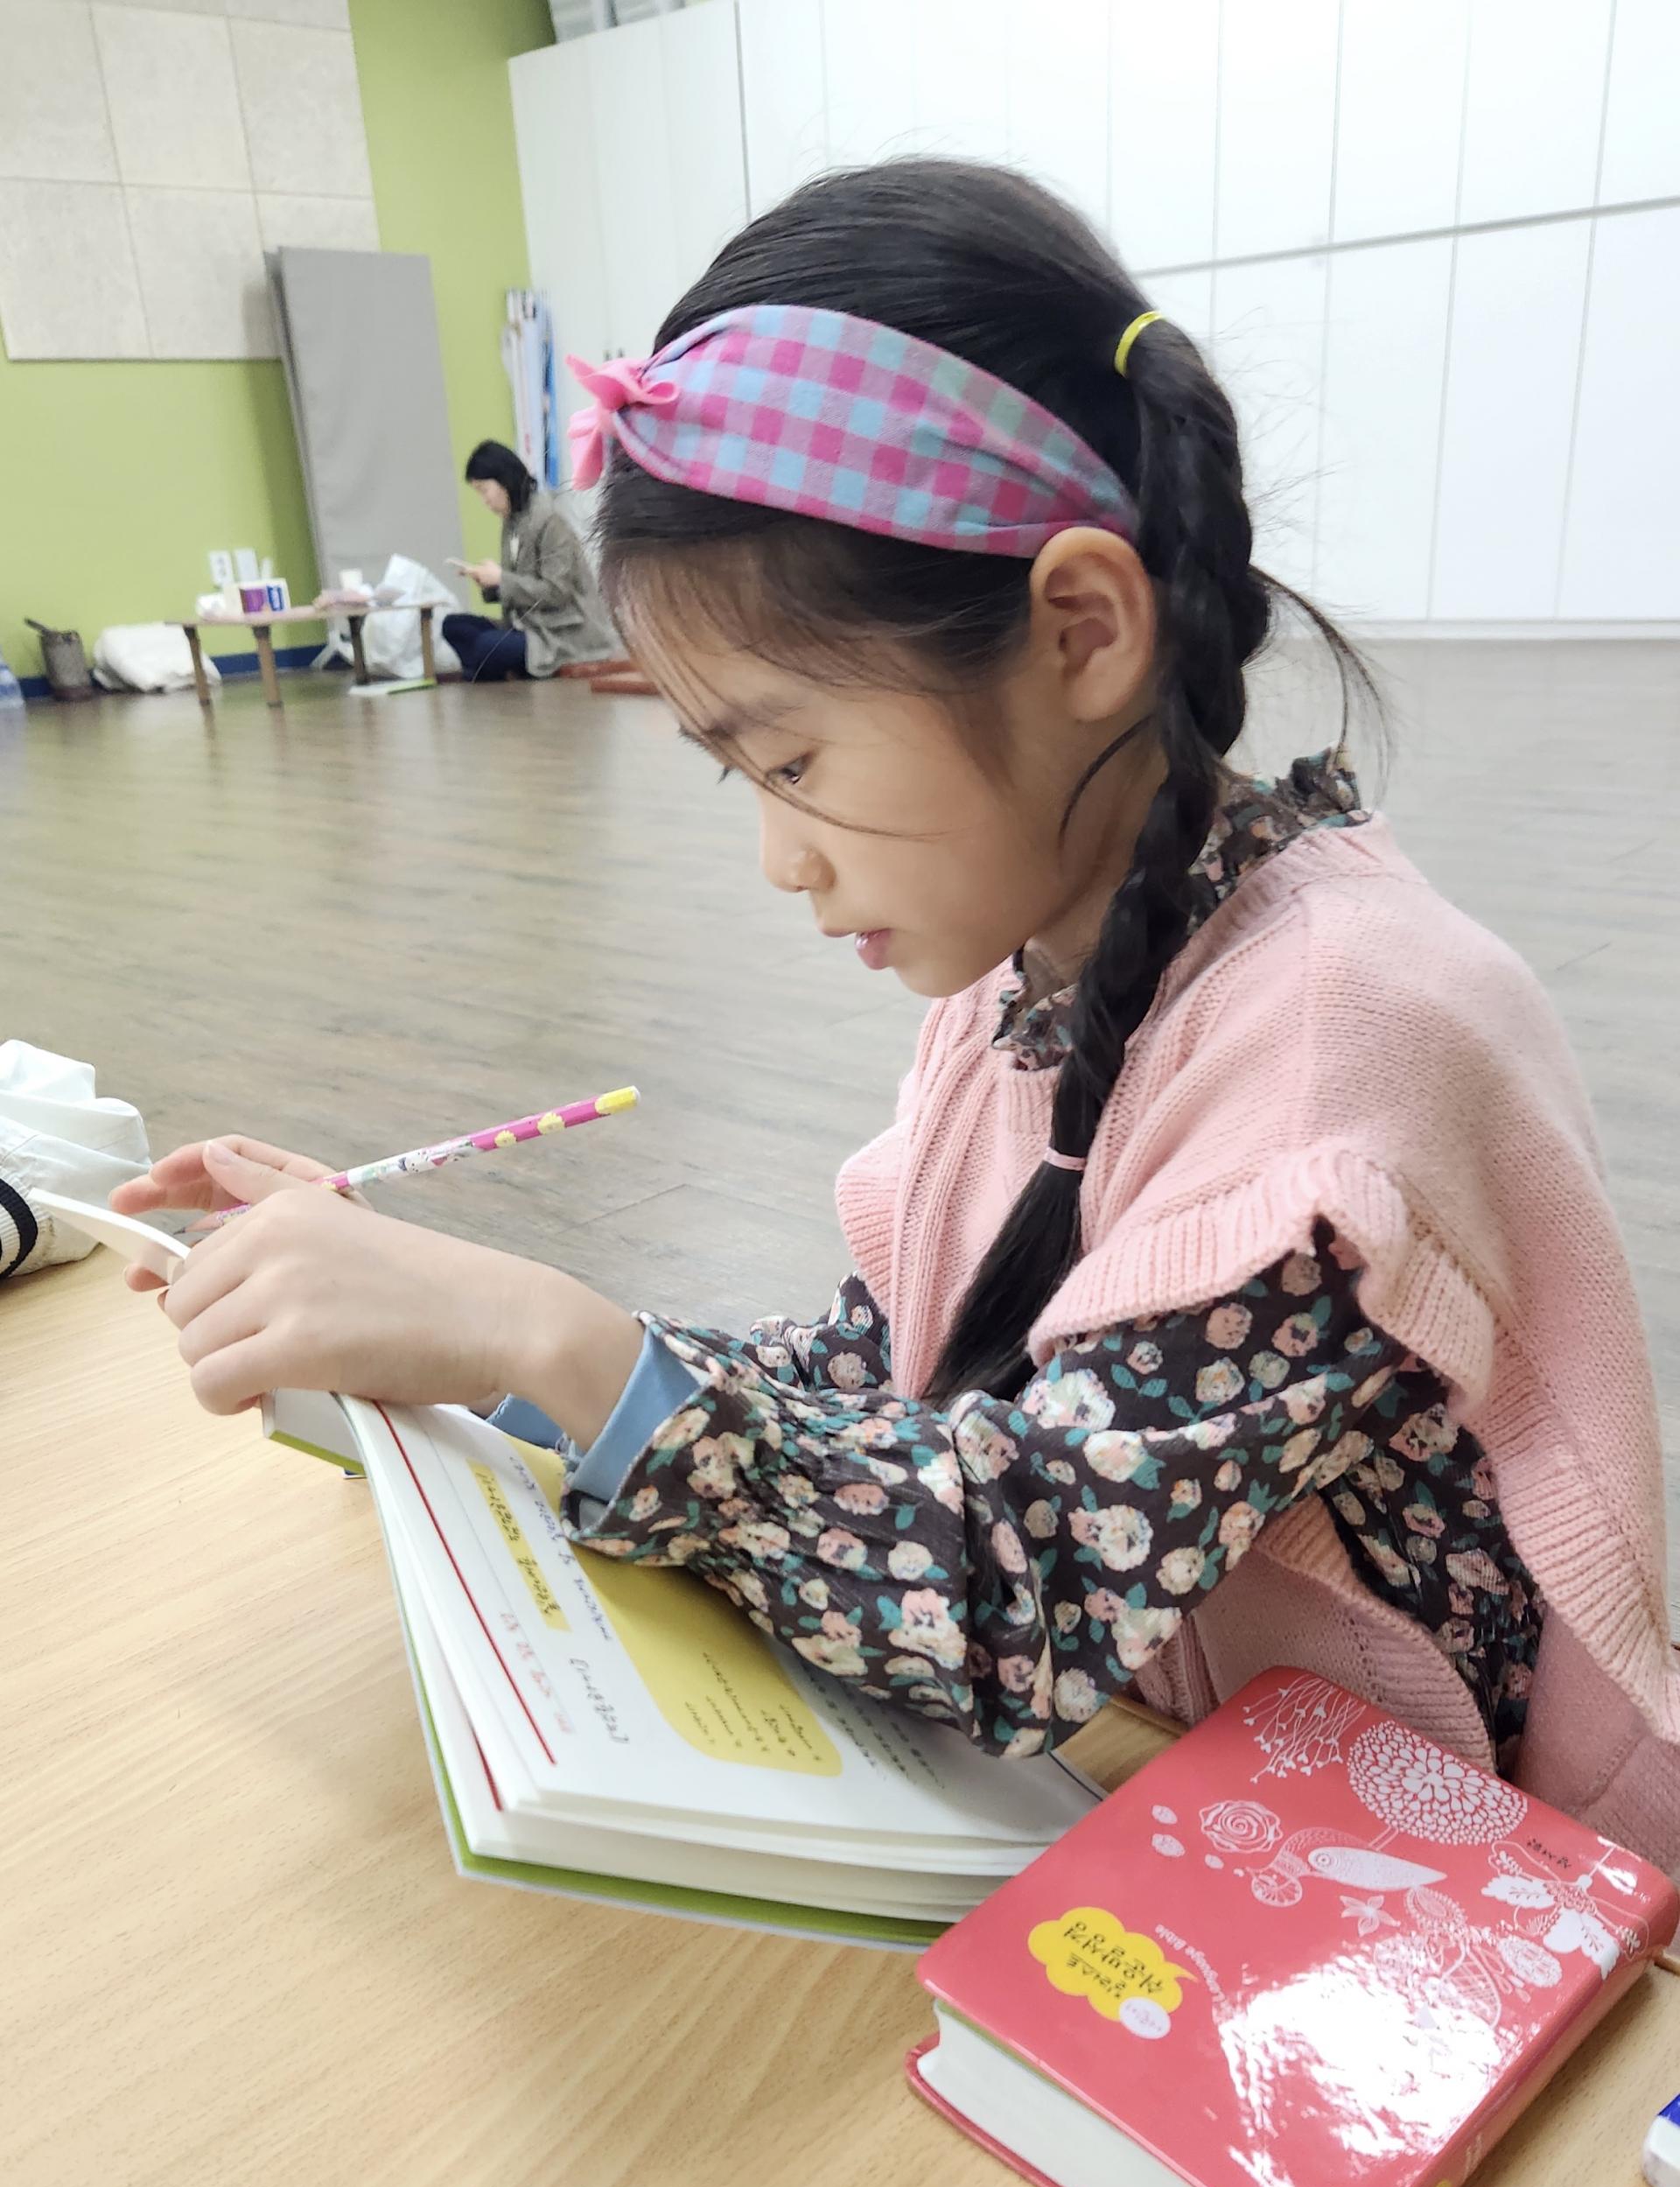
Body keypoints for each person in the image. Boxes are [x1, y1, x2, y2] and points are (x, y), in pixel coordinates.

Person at [110, 161, 1678, 1869]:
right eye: (741, 776)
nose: (780, 857)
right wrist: (459, 1329)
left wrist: (543, 1336)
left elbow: (1022, 1600)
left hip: (1454, 1878)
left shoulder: (1340, 1045)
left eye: (793, 759)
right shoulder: (1039, 967)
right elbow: (895, 1371)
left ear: (1083, 628)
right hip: (1201, 1771)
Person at [442, 438, 618, 681]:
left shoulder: (550, 520)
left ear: (503, 480)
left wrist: (501, 579)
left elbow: (556, 592)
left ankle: (488, 667)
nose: (485, 501)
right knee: (453, 625)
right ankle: (491, 667)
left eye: (484, 490)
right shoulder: (512, 521)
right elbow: (519, 584)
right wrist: (490, 584)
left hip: (562, 631)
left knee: (486, 646)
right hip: (527, 626)